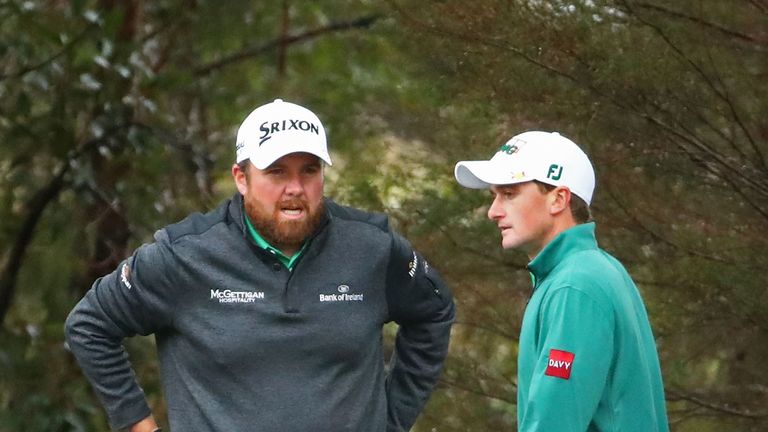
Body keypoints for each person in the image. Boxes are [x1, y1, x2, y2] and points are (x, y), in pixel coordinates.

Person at [65, 98, 455, 432]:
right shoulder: (184, 255)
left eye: (310, 170)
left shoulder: (372, 248)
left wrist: (392, 419)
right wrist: (137, 424)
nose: (295, 188)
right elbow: (91, 325)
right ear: (241, 177)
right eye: (276, 171)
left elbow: (434, 311)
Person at [454, 131, 668, 431]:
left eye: (510, 194)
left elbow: (554, 422)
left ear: (558, 199)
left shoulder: (575, 285)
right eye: (494, 196)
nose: (493, 211)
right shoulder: (591, 270)